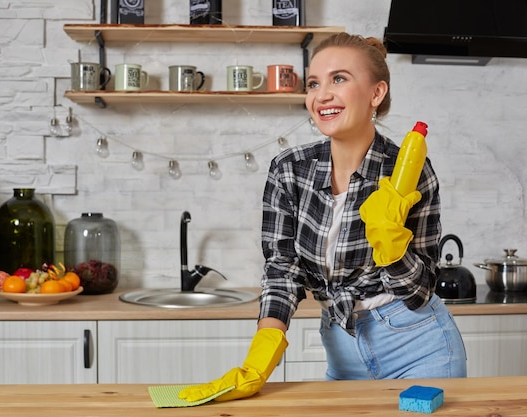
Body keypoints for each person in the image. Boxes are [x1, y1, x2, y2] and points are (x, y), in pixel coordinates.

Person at [179, 32, 467, 403]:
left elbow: (420, 291)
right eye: (314, 83)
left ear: (376, 94)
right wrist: (260, 357)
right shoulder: (289, 170)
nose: (322, 95)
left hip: (421, 350)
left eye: (339, 79)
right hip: (342, 352)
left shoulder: (409, 172)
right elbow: (282, 271)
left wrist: (392, 243)